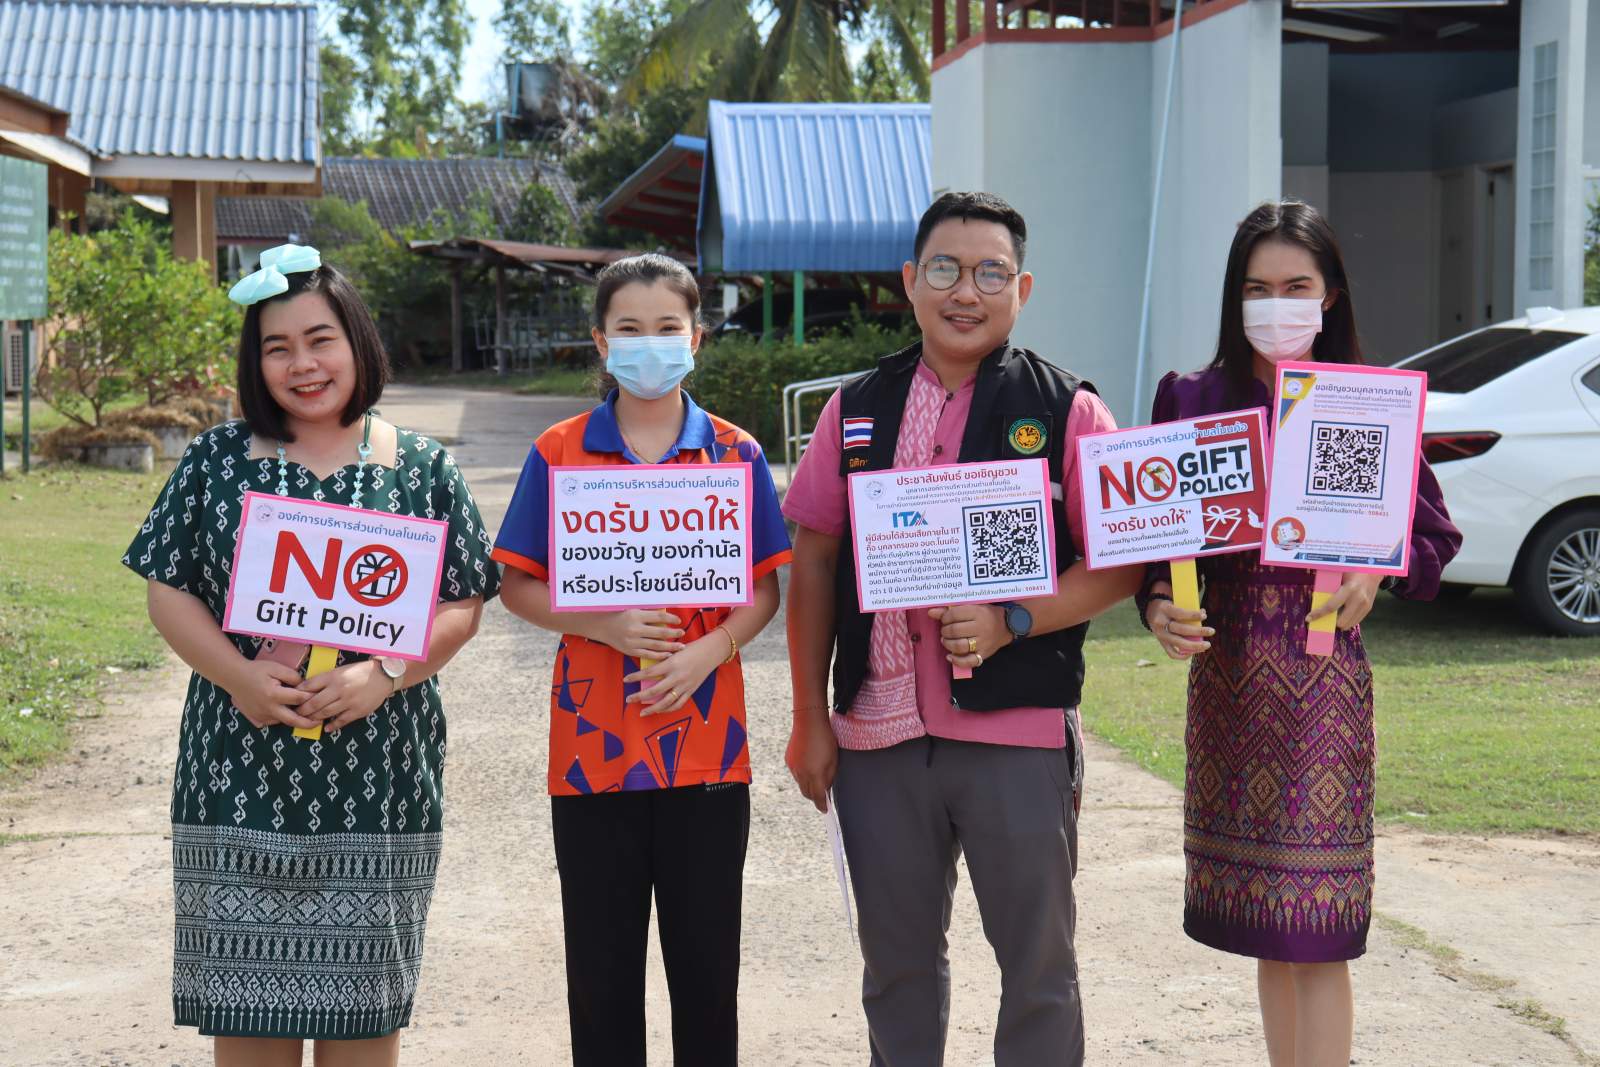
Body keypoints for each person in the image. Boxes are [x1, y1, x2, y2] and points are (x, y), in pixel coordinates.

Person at [782, 191, 1142, 1067]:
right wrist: (807, 717)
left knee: (1039, 967)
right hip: (877, 735)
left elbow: (1122, 564)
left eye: (990, 272)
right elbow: (814, 561)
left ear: (1023, 288)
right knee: (895, 968)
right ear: (910, 280)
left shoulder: (1067, 408)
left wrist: (1015, 618)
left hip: (1016, 733)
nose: (965, 291)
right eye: (945, 269)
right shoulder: (855, 408)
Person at [123, 245, 499, 1066]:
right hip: (238, 771)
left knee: (363, 1019)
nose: (303, 364)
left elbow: (463, 601)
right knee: (248, 1016)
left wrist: (384, 674)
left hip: (379, 783)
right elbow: (168, 589)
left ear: (357, 341)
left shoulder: (422, 467)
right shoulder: (215, 462)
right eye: (277, 347)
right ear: (255, 363)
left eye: (320, 339)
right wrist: (238, 676)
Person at [1138, 200, 1462, 1067]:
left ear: (1330, 295)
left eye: (1294, 286)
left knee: (1316, 927)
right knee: (1268, 927)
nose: (1274, 305)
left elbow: (1432, 538)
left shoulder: (1363, 401)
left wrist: (1376, 569)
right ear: (1233, 296)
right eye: (1256, 288)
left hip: (1323, 690)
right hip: (1228, 688)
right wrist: (1159, 606)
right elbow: (1156, 544)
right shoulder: (1193, 399)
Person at [492, 253, 790, 1067]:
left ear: (696, 337)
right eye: (629, 327)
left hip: (709, 751)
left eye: (667, 327)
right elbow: (516, 585)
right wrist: (604, 624)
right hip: (592, 756)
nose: (649, 343)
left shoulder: (735, 454)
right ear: (600, 340)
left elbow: (764, 592)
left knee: (707, 977)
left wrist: (710, 652)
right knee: (601, 980)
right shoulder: (559, 451)